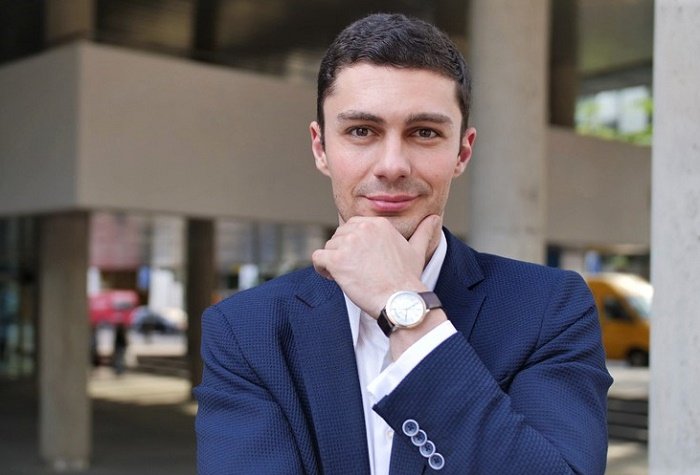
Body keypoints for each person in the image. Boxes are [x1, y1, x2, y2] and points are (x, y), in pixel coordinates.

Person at [194, 13, 612, 475]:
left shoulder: (549, 309)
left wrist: (408, 311)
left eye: (424, 132)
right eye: (361, 131)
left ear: (462, 152)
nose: (392, 165)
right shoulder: (246, 331)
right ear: (320, 148)